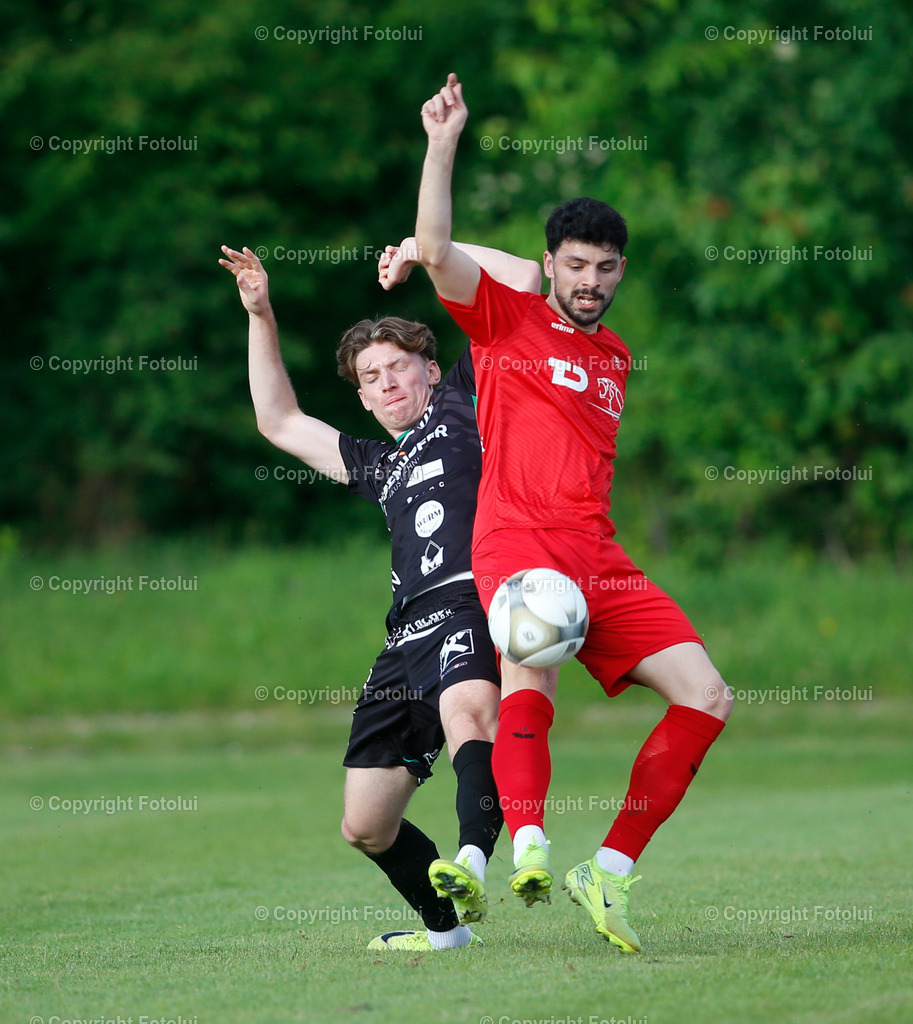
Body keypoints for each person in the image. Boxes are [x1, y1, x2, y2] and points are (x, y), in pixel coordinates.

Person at [411, 73, 733, 954]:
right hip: (517, 540)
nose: (589, 281)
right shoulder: (502, 321)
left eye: (604, 268)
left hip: (602, 552)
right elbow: (439, 247)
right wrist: (442, 146)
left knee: (706, 697)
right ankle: (529, 847)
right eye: (574, 265)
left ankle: (610, 870)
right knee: (533, 669)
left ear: (619, 271)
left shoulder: (617, 355)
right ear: (547, 264)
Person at [219, 241, 539, 951]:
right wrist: (261, 311)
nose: (388, 383)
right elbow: (278, 421)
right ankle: (446, 931)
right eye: (371, 376)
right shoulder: (375, 462)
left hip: (472, 601)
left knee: (467, 711)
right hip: (403, 640)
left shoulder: (465, 400)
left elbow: (523, 277)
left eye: (398, 366)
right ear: (362, 397)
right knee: (364, 823)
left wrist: (432, 251)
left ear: (429, 369)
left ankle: (472, 859)